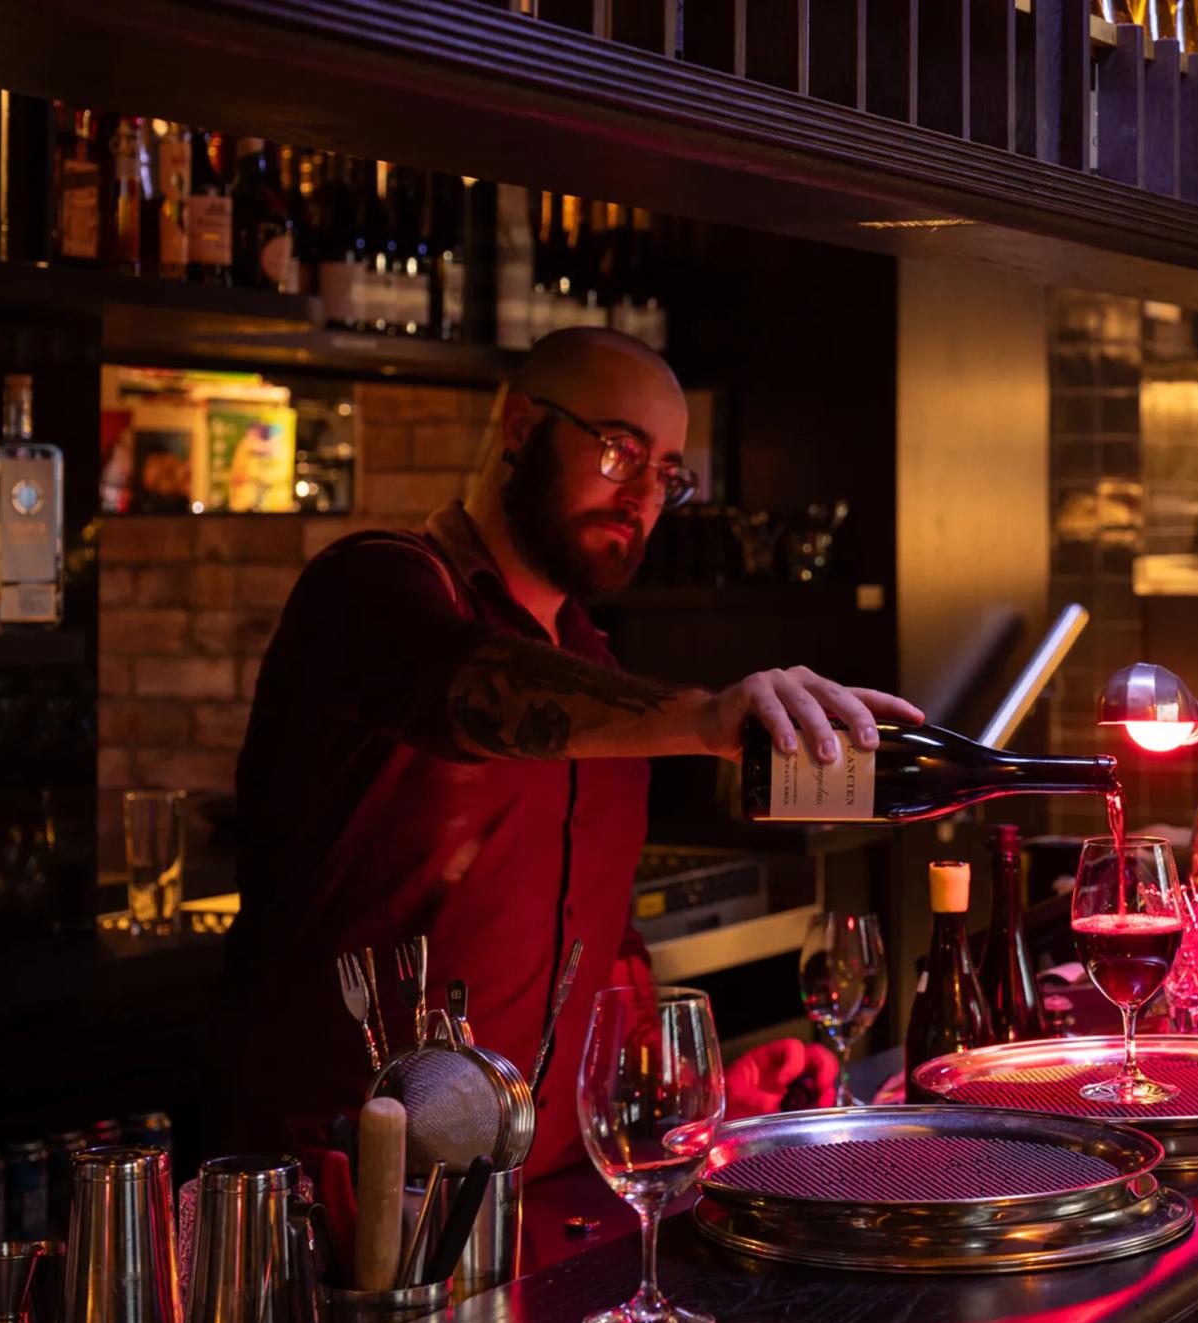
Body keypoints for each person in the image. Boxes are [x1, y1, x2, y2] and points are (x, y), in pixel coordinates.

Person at [225, 327, 922, 1177]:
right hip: (340, 1201)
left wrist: (690, 1090)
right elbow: (469, 685)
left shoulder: (596, 669)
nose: (644, 497)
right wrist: (706, 718)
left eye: (667, 474)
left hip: (538, 1192)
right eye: (620, 451)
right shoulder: (373, 587)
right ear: (521, 428)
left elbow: (598, 944)